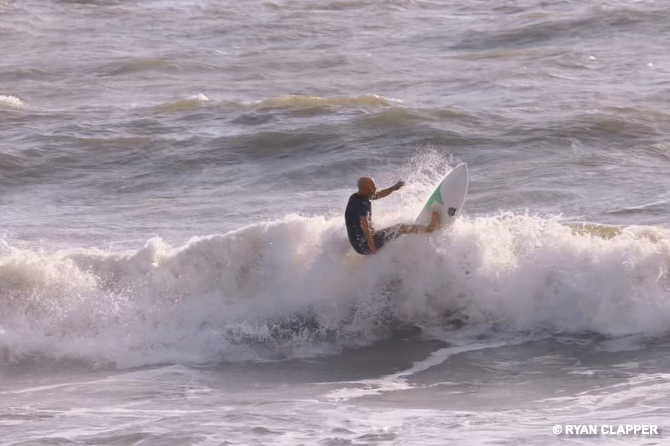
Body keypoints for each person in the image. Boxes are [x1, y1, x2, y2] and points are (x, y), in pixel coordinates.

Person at [345, 177, 441, 255]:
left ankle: (372, 243)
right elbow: (364, 225)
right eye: (372, 186)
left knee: (373, 227)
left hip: (357, 245)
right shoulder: (364, 203)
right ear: (365, 188)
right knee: (401, 227)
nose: (375, 188)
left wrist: (392, 188)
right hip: (364, 246)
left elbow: (377, 195)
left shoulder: (355, 197)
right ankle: (431, 228)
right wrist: (372, 247)